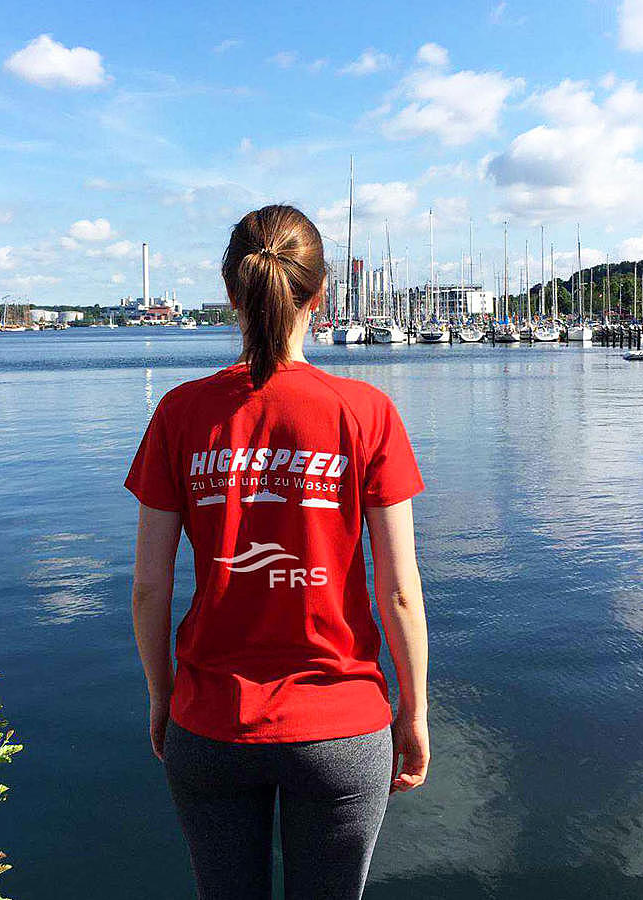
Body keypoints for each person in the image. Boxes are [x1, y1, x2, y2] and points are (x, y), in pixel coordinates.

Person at [126, 204, 429, 900]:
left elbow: (150, 588)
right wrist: (412, 713)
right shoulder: (367, 412)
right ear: (320, 297)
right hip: (343, 727)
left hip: (211, 723)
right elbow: (400, 592)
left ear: (232, 292)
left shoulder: (179, 413)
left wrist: (162, 697)